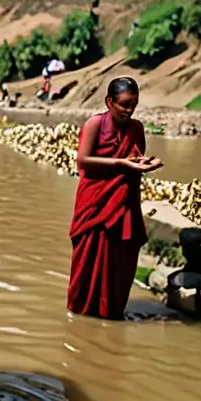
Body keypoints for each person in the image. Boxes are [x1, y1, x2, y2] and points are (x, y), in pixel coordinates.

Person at [67, 78, 162, 320]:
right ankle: (81, 314)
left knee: (121, 260)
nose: (130, 110)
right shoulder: (95, 124)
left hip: (122, 202)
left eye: (134, 105)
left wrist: (144, 163)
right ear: (109, 102)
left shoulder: (136, 128)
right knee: (89, 259)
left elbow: (134, 157)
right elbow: (83, 160)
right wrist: (120, 163)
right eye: (124, 105)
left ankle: (112, 310)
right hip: (95, 202)